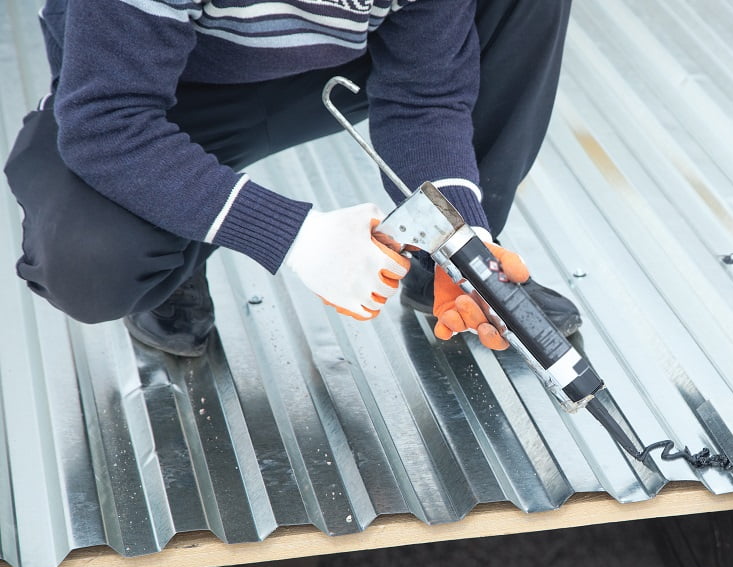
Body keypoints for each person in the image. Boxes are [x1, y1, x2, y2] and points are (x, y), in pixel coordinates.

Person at [5, 0, 582, 357]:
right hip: (162, 91)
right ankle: (174, 249)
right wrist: (294, 237)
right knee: (89, 262)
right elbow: (106, 120)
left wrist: (464, 239)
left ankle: (446, 266)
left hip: (325, 70)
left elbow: (424, 99)